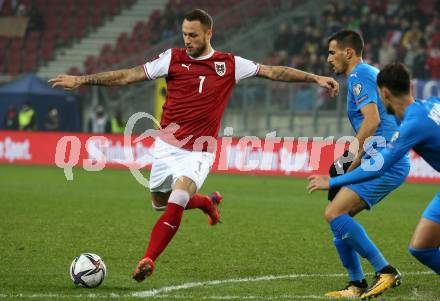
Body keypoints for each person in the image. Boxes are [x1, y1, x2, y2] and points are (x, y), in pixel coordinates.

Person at [49, 9, 339, 283]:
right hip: (166, 146)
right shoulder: (172, 58)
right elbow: (129, 75)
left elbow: (274, 72)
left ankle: (148, 259)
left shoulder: (230, 64)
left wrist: (315, 77)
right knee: (158, 204)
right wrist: (82, 80)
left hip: (199, 151)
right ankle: (207, 202)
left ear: (209, 33)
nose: (187, 41)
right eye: (184, 34)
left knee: (176, 201)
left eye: (193, 35)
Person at [308, 62, 440, 275]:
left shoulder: (413, 124)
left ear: (384, 92)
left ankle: (374, 274)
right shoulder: (433, 104)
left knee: (423, 248)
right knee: (422, 248)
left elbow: (378, 167)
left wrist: (332, 181)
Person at [309, 29, 411, 299]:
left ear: (348, 52)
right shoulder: (364, 74)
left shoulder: (360, 74)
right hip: (378, 154)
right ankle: (356, 283)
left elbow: (372, 120)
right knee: (337, 214)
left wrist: (352, 157)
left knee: (334, 213)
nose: (329, 58)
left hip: (384, 158)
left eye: (332, 52)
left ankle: (386, 271)